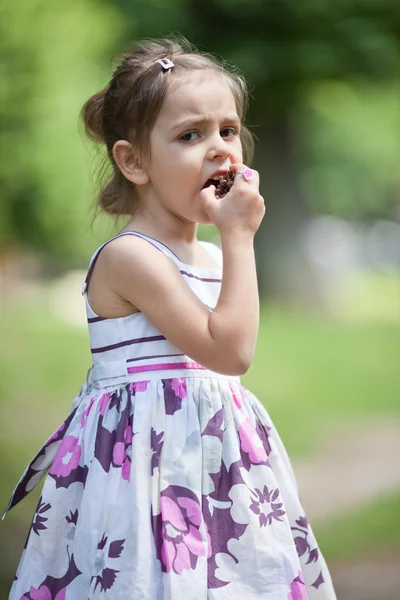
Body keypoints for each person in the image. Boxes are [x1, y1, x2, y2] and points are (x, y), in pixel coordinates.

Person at [4, 37, 336, 600]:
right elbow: (231, 351)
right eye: (190, 135)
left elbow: (230, 359)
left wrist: (229, 244)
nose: (219, 149)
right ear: (134, 160)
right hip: (143, 474)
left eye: (228, 131)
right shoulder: (131, 258)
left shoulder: (210, 258)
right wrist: (238, 234)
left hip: (219, 467)